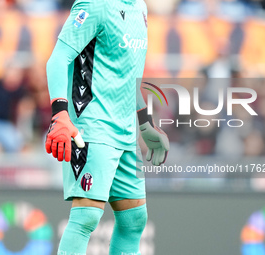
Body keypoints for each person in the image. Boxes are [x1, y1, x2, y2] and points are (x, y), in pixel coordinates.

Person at [45, 0, 169, 254]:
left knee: (134, 221)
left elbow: (126, 77)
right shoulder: (95, 4)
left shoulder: (140, 8)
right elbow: (57, 59)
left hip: (125, 133)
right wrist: (60, 115)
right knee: (87, 217)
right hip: (92, 126)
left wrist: (145, 123)